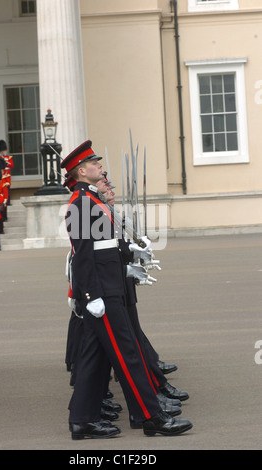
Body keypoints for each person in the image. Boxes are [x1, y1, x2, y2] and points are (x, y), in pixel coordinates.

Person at [61, 140, 192, 439]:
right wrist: (91, 297)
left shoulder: (92, 201)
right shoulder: (81, 203)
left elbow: (105, 247)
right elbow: (82, 256)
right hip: (102, 294)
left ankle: (82, 420)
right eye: (94, 164)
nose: (100, 167)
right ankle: (151, 417)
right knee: (127, 354)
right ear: (82, 171)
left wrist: (128, 254)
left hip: (111, 286)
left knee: (96, 357)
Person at [0, 140, 14, 210]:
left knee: (8, 187)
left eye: (3, 150)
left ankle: (8, 201)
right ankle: (4, 200)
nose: (2, 152)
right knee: (3, 188)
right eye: (1, 151)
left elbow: (12, 166)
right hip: (2, 174)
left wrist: (7, 163)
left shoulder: (8, 157)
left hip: (7, 174)